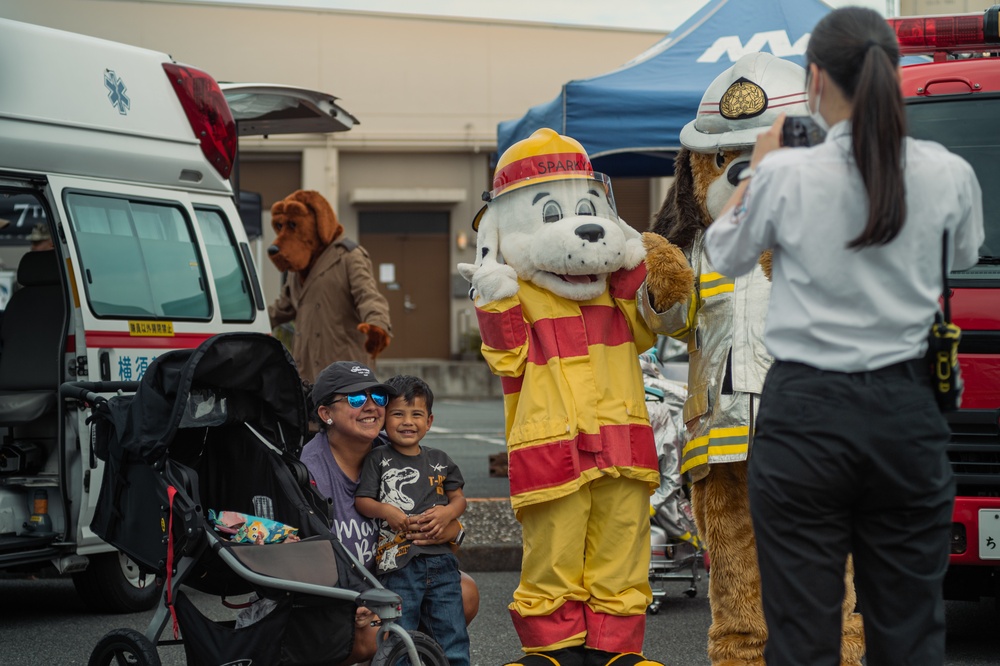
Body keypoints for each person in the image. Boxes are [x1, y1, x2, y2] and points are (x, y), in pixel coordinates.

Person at [703, 7, 984, 666]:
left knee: (801, 634)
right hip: (907, 412)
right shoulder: (947, 171)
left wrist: (755, 168)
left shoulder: (786, 175)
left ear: (817, 77)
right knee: (911, 629)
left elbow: (723, 254)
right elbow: (964, 251)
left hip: (806, 418)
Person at [299, 360, 477, 665]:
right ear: (326, 413)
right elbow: (304, 557)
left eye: (378, 398)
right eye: (356, 399)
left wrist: (451, 529)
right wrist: (350, 599)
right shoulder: (310, 470)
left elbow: (445, 510)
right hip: (339, 596)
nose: (371, 406)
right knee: (375, 633)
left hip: (396, 575)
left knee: (465, 592)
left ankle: (410, 655)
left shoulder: (394, 449)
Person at [355, 374, 470, 666]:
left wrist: (448, 512)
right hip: (399, 565)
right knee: (399, 637)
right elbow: (363, 501)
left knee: (452, 633)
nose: (408, 422)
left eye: (416, 414)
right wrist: (387, 511)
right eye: (398, 414)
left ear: (429, 421)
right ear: (384, 419)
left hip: (443, 563)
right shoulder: (378, 458)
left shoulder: (440, 458)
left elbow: (459, 498)